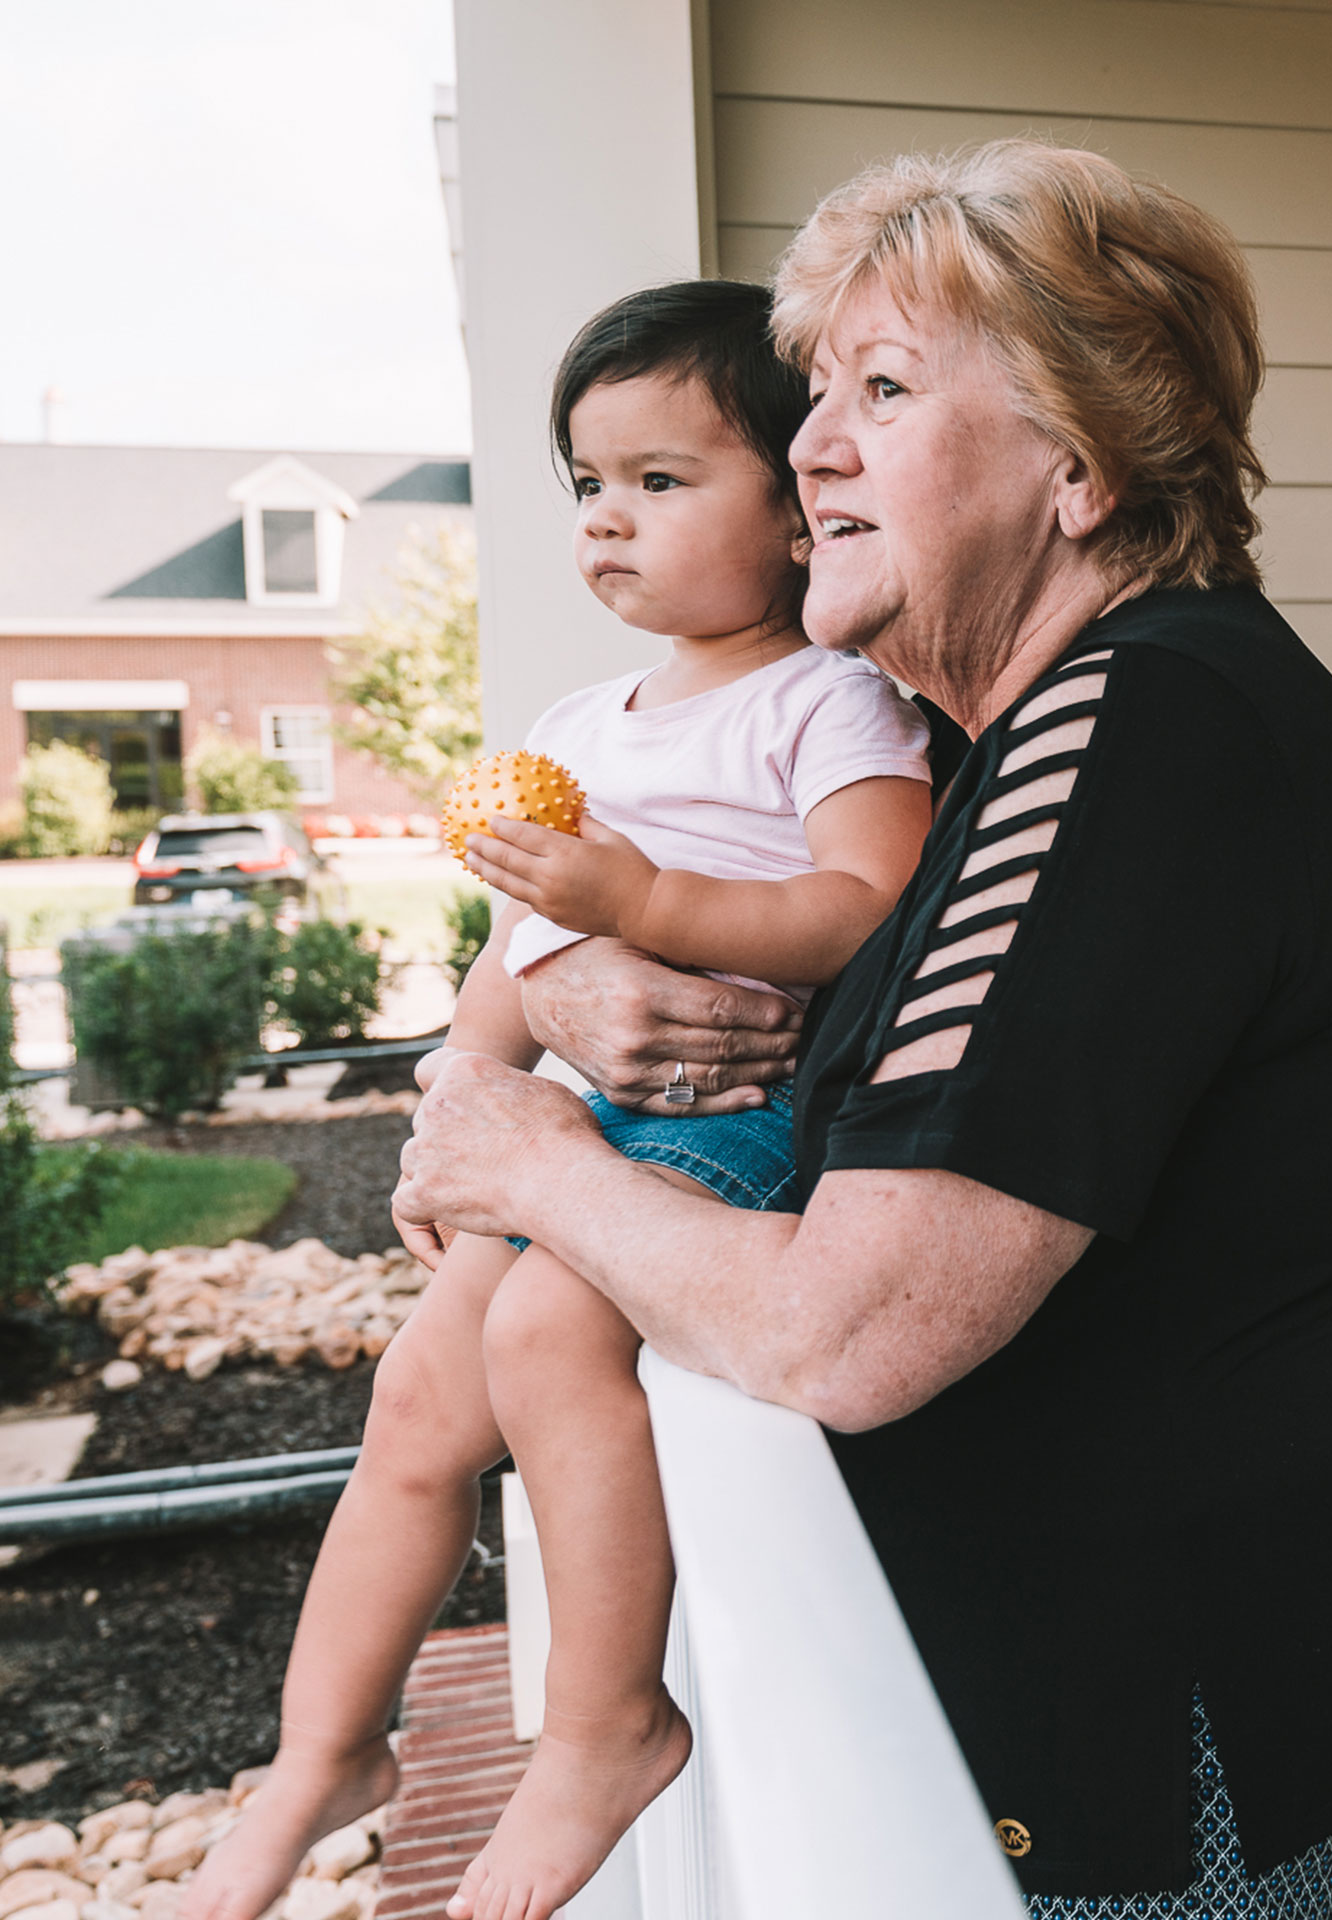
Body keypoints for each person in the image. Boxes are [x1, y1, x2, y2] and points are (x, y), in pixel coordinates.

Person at [391, 140, 1332, 1916]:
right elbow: (893, 1058)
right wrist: (578, 988)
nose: (813, 444)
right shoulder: (1021, 753)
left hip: (1158, 1723)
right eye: (818, 391)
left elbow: (854, 1328)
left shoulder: (1143, 732)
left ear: (1078, 463)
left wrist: (527, 1152)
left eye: (883, 390)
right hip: (1076, 1684)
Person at [188, 282, 935, 1920]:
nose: (608, 519)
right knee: (412, 1406)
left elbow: (863, 909)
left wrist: (642, 896)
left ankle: (602, 1728)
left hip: (725, 1122)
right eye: (588, 484)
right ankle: (322, 1754)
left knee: (541, 1346)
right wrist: (453, 1105)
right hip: (565, 1131)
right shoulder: (574, 728)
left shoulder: (832, 702)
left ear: (800, 513)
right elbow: (512, 956)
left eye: (663, 482)